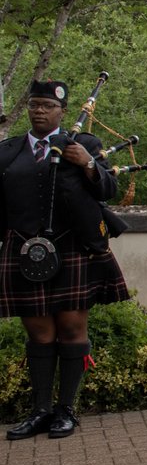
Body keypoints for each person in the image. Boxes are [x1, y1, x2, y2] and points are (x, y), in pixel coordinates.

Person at [2, 80, 130, 440]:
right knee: (39, 333)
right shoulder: (8, 151)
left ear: (62, 111)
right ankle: (40, 410)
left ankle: (66, 410)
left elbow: (108, 190)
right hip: (25, 250)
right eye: (34, 105)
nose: (39, 111)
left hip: (72, 248)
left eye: (47, 106)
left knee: (73, 328)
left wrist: (89, 164)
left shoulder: (84, 144)